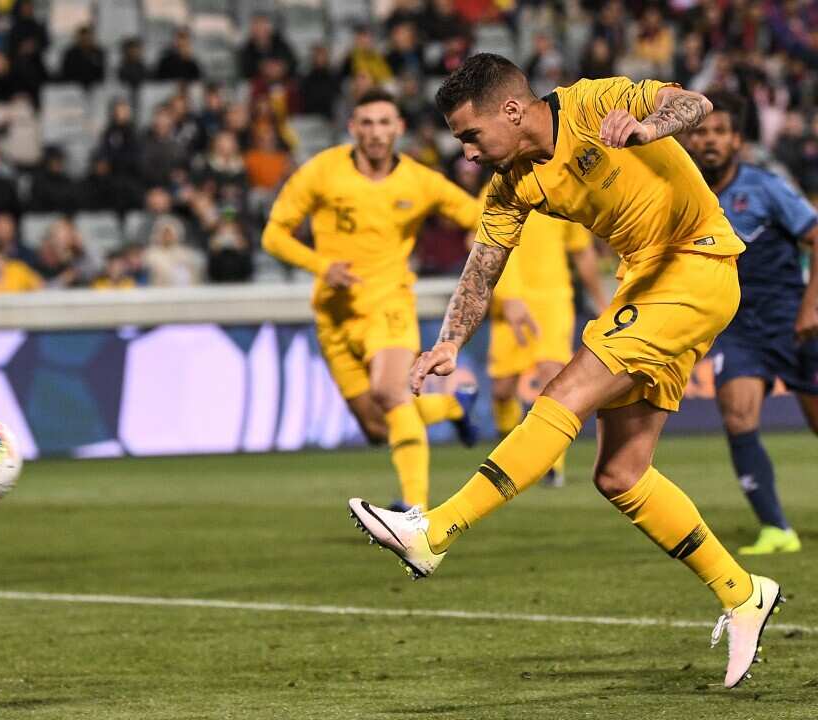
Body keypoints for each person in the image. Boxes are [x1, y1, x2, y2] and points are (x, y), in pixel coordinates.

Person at [346, 53, 780, 689]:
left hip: (696, 264)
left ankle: (435, 530)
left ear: (513, 111)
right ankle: (742, 592)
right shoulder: (510, 182)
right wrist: (449, 342)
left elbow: (695, 103)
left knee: (566, 390)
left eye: (471, 134)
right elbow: (484, 263)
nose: (466, 153)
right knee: (621, 474)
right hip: (644, 284)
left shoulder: (595, 103)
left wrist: (648, 127)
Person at [263, 87, 482, 510]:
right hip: (334, 314)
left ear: (399, 128)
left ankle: (414, 511)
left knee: (390, 392)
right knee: (378, 427)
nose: (376, 132)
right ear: (353, 128)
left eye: (385, 122)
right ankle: (453, 409)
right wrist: (323, 266)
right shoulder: (322, 171)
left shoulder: (419, 181)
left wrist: (479, 239)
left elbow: (476, 214)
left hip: (390, 304)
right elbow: (273, 234)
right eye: (367, 122)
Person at [682, 91, 818, 554]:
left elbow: (816, 238)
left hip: (791, 320)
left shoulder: (765, 187)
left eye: (720, 132)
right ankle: (776, 528)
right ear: (688, 140)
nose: (710, 141)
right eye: (701, 132)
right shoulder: (684, 195)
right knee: (738, 416)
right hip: (735, 327)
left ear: (737, 139)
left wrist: (811, 308)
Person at [487, 212, 608, 487]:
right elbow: (484, 250)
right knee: (502, 391)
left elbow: (582, 251)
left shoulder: (560, 194)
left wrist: (601, 302)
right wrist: (504, 296)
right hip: (508, 304)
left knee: (552, 378)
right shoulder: (493, 194)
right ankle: (509, 459)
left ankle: (551, 468)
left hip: (552, 300)